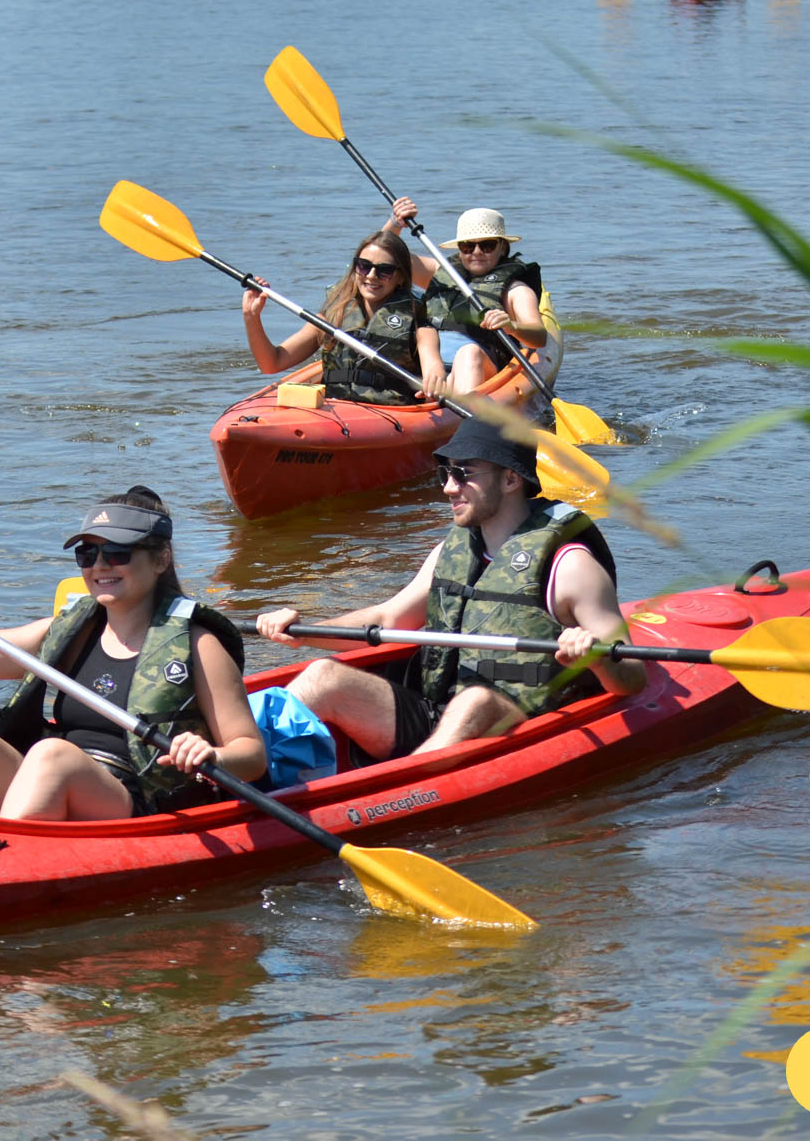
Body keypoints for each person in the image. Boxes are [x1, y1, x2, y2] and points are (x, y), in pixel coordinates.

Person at [254, 419, 645, 763]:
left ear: (511, 479)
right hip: (436, 709)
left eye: (463, 474)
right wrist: (304, 632)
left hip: (522, 722)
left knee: (475, 700)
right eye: (444, 473)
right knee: (323, 676)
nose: (448, 488)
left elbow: (632, 676)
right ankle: (238, 768)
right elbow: (389, 619)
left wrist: (595, 658)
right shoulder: (453, 550)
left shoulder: (571, 567)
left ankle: (399, 794)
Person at [0, 487, 265, 820]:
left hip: (136, 801)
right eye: (88, 554)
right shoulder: (69, 630)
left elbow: (251, 754)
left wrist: (210, 755)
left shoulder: (198, 645)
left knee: (52, 756)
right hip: (47, 782)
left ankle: (4, 868)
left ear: (161, 559)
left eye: (117, 553)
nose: (100, 565)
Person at [383, 198, 561, 415]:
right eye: (468, 246)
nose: (476, 252)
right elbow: (385, 256)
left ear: (502, 247)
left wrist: (511, 325)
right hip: (429, 367)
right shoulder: (438, 271)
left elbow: (538, 337)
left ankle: (457, 421)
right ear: (459, 249)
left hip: (479, 366)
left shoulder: (516, 290)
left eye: (486, 245)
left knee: (469, 354)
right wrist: (395, 223)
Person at [239, 229, 448, 404]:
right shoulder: (334, 313)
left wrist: (434, 379)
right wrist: (252, 317)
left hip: (392, 411)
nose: (371, 276)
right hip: (335, 409)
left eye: (384, 271)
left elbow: (432, 363)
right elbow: (271, 363)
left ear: (401, 277)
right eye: (364, 266)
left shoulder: (417, 318)